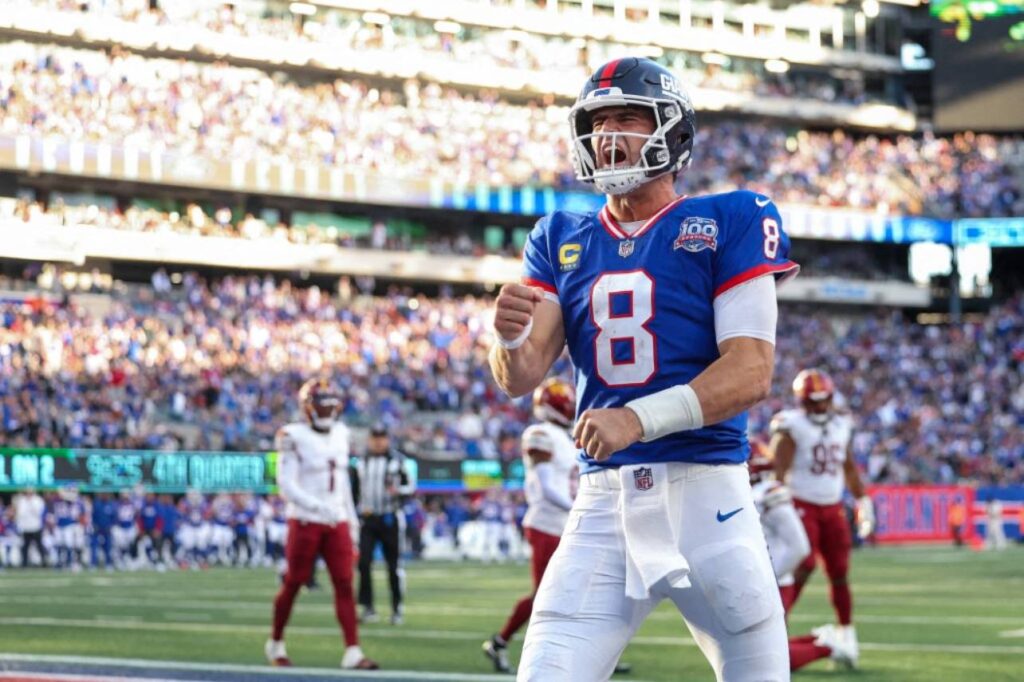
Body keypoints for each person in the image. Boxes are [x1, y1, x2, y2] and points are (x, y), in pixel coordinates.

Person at [489, 56, 799, 681]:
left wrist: (636, 419)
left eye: (628, 118)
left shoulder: (732, 218)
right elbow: (519, 376)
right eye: (599, 121)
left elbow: (751, 371)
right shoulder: (558, 235)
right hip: (603, 505)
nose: (609, 135)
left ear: (672, 130)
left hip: (708, 495)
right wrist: (504, 336)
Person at [483, 378, 634, 676]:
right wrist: (578, 505)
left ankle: (597, 654)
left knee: (593, 588)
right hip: (546, 524)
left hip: (565, 522)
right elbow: (545, 486)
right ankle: (500, 641)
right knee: (546, 594)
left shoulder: (564, 436)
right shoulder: (540, 433)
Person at [265, 378, 377, 670]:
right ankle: (275, 641)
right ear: (308, 408)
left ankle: (353, 650)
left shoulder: (341, 433)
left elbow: (341, 483)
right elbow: (285, 484)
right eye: (321, 406)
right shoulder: (291, 434)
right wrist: (318, 507)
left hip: (336, 519)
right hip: (305, 519)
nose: (326, 412)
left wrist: (351, 523)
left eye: (330, 406)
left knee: (344, 583)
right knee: (294, 582)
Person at [770, 368, 874, 668]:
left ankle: (847, 632)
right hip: (801, 504)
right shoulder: (791, 425)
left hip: (833, 506)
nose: (817, 407)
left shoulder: (842, 424)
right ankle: (778, 621)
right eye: (811, 402)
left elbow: (849, 467)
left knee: (840, 571)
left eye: (822, 400)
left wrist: (862, 499)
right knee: (802, 564)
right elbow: (778, 472)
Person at [748, 441, 854, 671]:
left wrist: (770, 577)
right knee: (753, 651)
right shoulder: (744, 494)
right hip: (754, 581)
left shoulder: (767, 494)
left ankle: (829, 647)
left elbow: (799, 546)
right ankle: (819, 639)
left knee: (768, 661)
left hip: (773, 583)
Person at [352, 423, 415, 625]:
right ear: (369, 439)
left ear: (387, 439)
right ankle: (368, 607)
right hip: (368, 519)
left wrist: (399, 492)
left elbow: (411, 486)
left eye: (381, 437)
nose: (378, 441)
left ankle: (397, 608)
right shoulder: (360, 462)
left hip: (390, 518)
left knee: (393, 565)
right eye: (375, 437)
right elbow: (353, 491)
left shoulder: (398, 461)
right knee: (363, 563)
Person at [14, 487, 47, 567]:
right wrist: (19, 526)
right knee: (25, 546)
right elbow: (20, 514)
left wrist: (30, 504)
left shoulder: (38, 500)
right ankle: (24, 563)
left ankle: (44, 562)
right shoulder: (22, 501)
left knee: (39, 545)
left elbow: (39, 512)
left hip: (36, 526)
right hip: (25, 527)